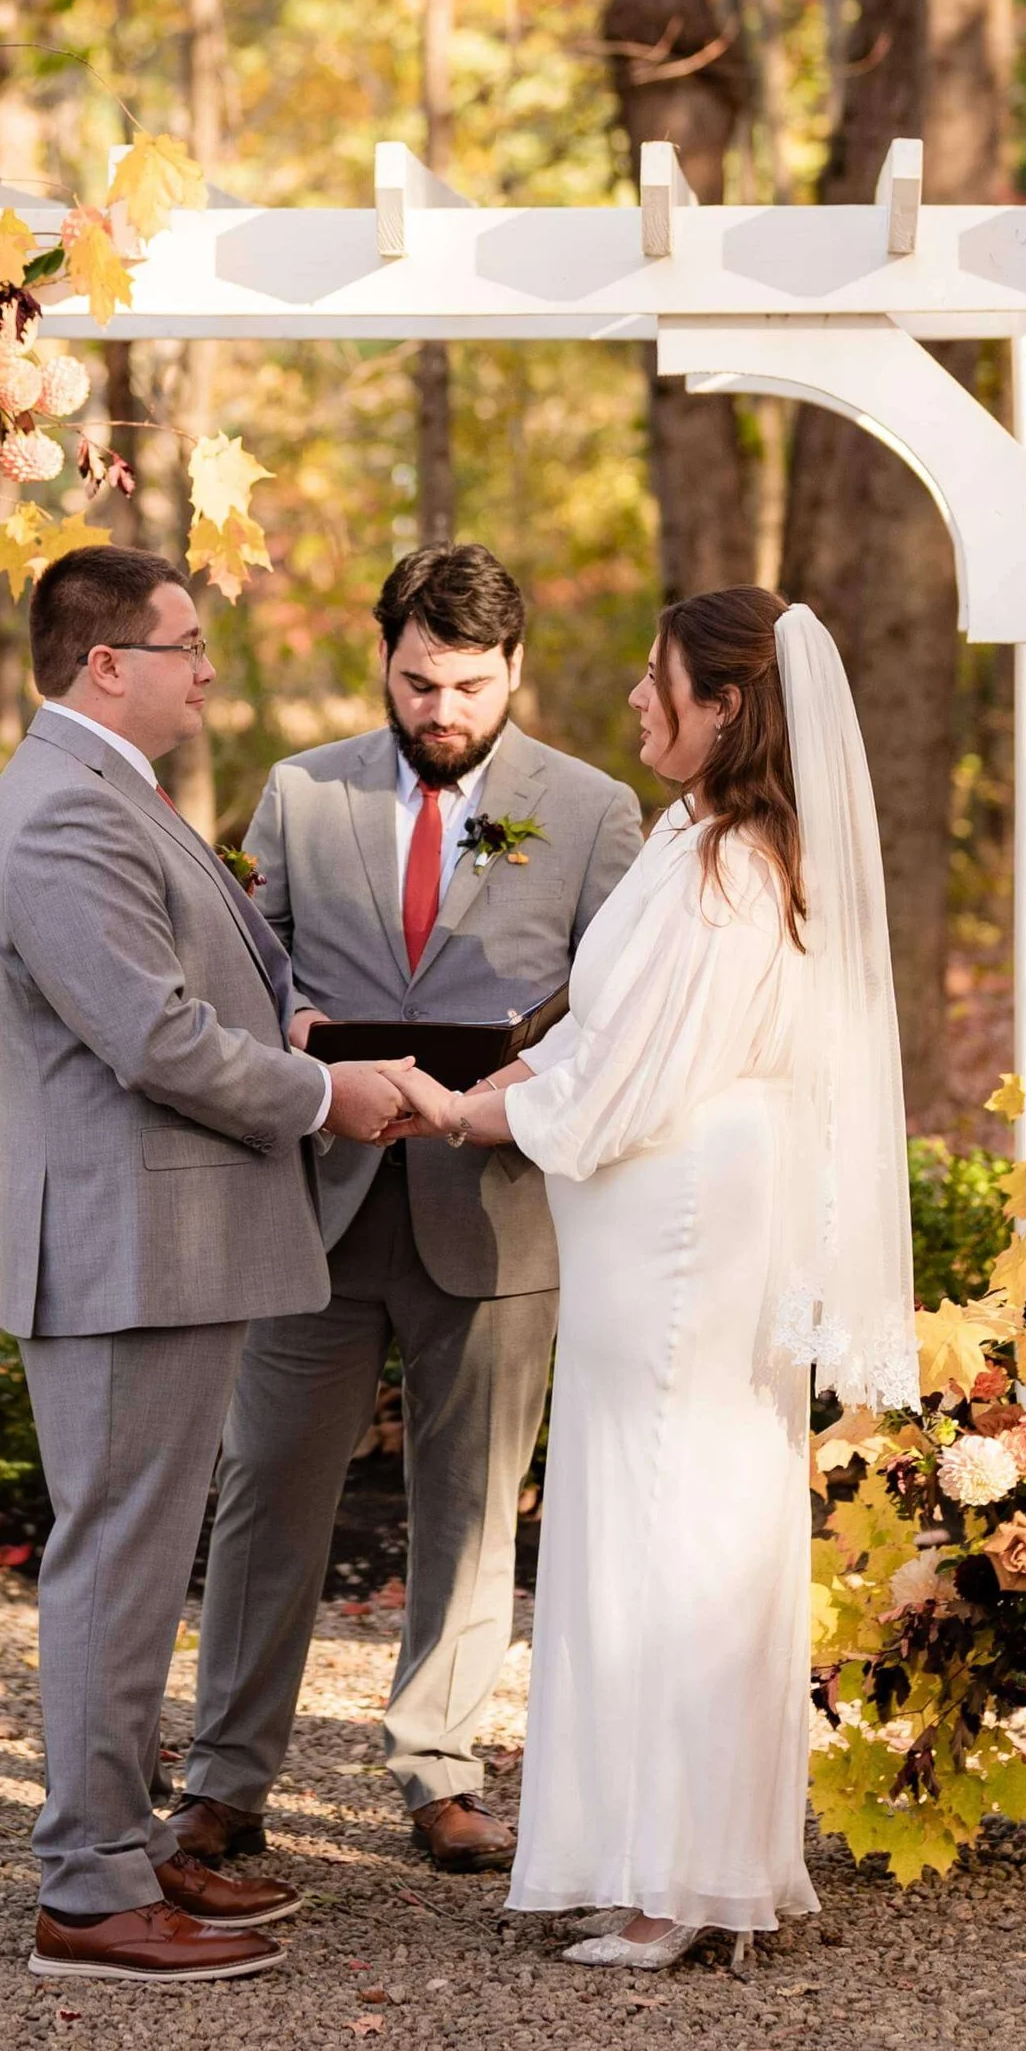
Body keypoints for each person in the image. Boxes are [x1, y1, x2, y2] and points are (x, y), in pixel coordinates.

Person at [385, 591, 916, 1968]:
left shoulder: (737, 865)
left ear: (726, 706)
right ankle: (670, 1851)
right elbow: (611, 1028)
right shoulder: (698, 839)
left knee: (680, 1518)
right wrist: (514, 1074)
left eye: (658, 676)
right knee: (661, 1503)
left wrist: (462, 1112)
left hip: (684, 1213)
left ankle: (683, 1876)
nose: (633, 695)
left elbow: (635, 1074)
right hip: (662, 1204)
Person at [0, 545, 414, 1986]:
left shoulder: (108, 795)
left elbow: (176, 995)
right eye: (186, 644)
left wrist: (280, 1024)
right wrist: (323, 1095)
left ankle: (120, 1844)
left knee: (145, 1559)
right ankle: (88, 1892)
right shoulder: (59, 818)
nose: (208, 668)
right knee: (117, 1561)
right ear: (107, 662)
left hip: (167, 1242)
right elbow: (150, 1039)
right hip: (125, 1248)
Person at [173, 543, 642, 1878]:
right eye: (420, 678)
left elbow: (622, 1012)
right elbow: (234, 968)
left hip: (494, 1202)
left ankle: (441, 1770)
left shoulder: (596, 810)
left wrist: (521, 1077)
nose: (442, 709)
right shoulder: (299, 791)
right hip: (315, 1195)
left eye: (471, 685)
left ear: (515, 671)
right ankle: (224, 1781)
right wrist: (298, 1029)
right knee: (266, 1487)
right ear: (383, 657)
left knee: (474, 1499)